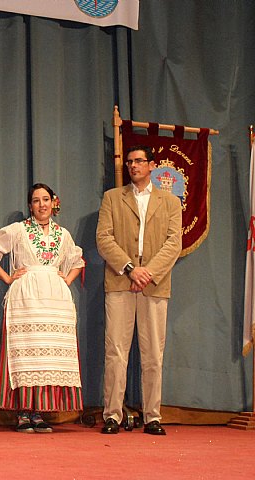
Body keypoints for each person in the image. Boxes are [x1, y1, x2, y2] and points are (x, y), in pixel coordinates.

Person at [96, 145, 182, 435]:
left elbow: (174, 243)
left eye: (139, 161)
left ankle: (153, 416)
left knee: (153, 354)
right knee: (116, 352)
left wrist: (148, 273)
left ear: (151, 165)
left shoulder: (170, 202)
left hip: (155, 285)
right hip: (121, 281)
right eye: (130, 162)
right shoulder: (112, 198)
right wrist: (132, 269)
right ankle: (112, 415)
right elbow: (104, 239)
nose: (133, 166)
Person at [0, 184, 84, 433]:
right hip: (26, 296)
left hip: (55, 298)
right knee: (25, 352)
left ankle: (38, 412)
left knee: (47, 354)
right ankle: (22, 412)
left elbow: (77, 260)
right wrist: (8, 279)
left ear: (54, 202)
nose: (42, 204)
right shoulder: (18, 230)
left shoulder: (63, 234)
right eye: (36, 200)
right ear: (30, 206)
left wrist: (66, 280)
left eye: (46, 199)